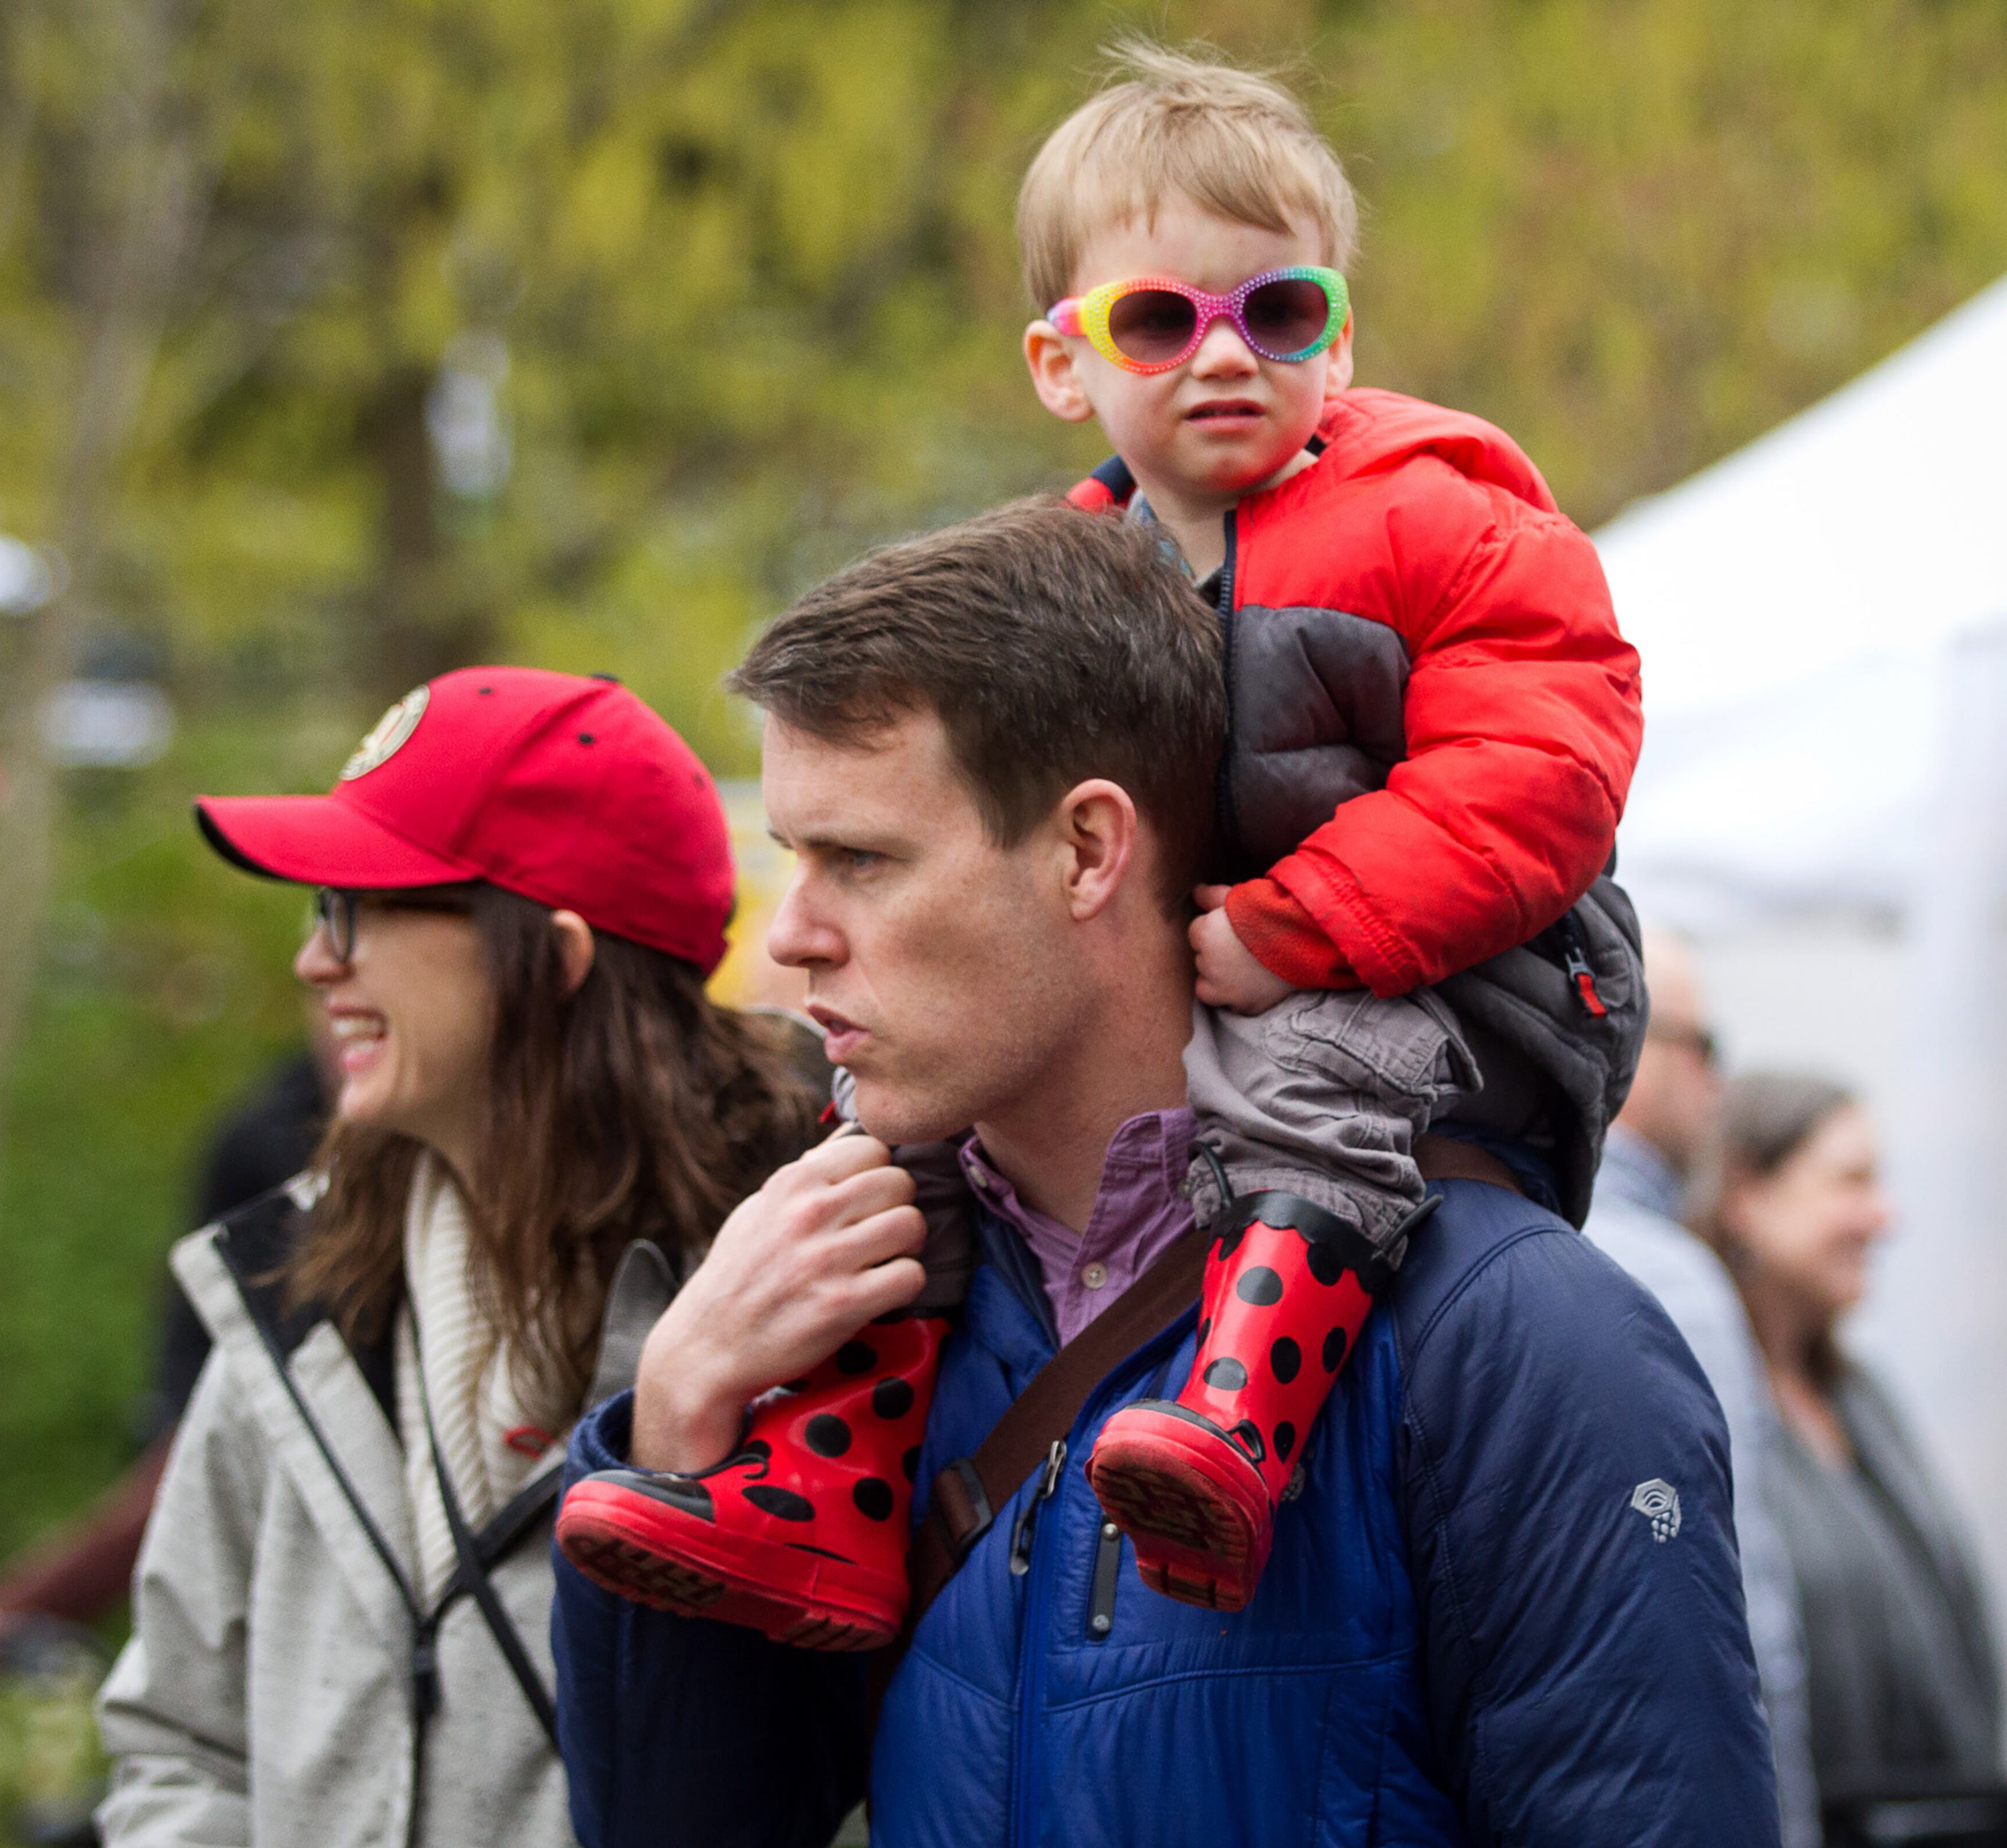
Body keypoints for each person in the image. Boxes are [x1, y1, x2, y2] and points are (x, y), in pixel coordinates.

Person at [558, 39, 1647, 1636]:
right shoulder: (1067, 574)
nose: (1225, 354)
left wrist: (1301, 924)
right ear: (1065, 363)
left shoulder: (1439, 514)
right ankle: (831, 1481)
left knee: (1317, 1063)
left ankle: (1238, 1421)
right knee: (895, 1122)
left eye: (1280, 312)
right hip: (1223, 967)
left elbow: (1544, 773)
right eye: (1160, 318)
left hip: (1448, 972)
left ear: (1338, 339)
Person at [552, 500, 1777, 1845]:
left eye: (860, 860)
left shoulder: (1515, 1336)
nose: (790, 940)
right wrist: (674, 1428)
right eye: (794, 857)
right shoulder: (860, 1319)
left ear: (1087, 849)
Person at [95, 667, 822, 1847]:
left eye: (355, 904)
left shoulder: (805, 1305)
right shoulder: (290, 1294)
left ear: (557, 954)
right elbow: (177, 1742)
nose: (314, 961)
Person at [0, 1033, 333, 1677]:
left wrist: (8, 1612)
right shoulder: (261, 1138)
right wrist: (13, 1613)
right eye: (330, 928)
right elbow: (208, 1439)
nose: (325, 966)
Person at [1703, 1073, 2003, 1822]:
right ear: (1749, 1193)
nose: (1884, 1216)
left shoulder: (1860, 1398)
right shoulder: (1710, 1412)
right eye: (1851, 1182)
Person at [1586, 931, 1818, 1847]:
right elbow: (1743, 1615)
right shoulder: (1670, 1277)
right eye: (1702, 1048)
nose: (1721, 1088)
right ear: (1627, 1041)